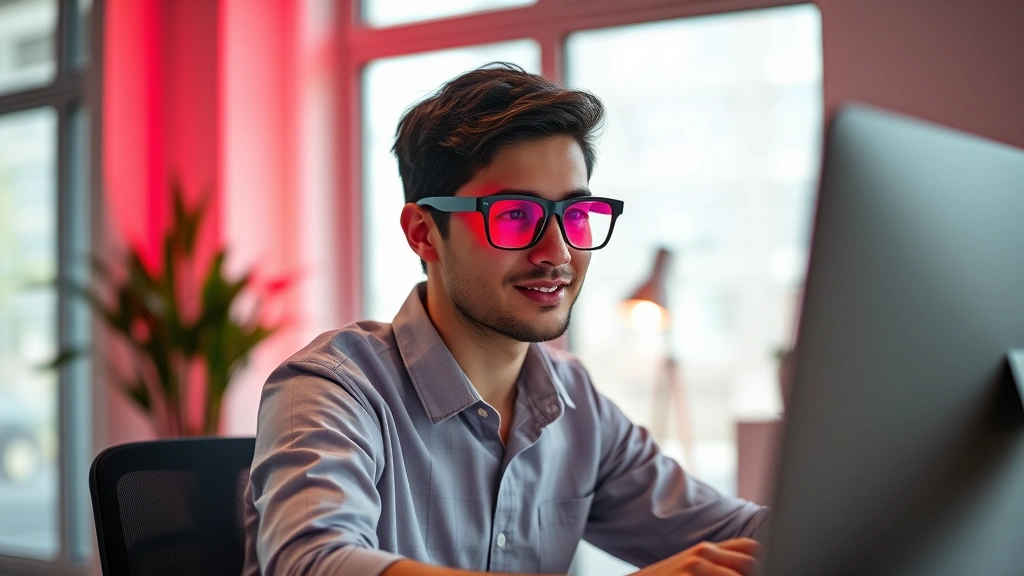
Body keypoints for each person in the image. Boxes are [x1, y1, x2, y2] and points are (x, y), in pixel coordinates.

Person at [242, 63, 768, 576]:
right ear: (424, 233)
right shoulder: (332, 388)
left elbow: (738, 532)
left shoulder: (575, 405)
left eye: (575, 214)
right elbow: (313, 562)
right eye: (516, 215)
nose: (557, 253)